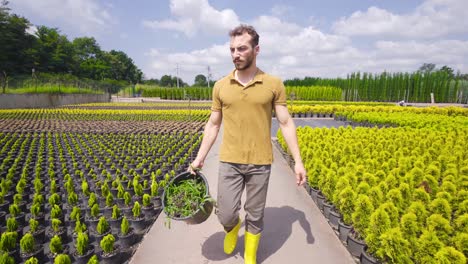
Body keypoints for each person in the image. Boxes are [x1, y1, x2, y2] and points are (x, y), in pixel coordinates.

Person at [188, 24, 306, 264]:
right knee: (226, 212)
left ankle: (250, 255)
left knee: (255, 213)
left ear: (256, 49)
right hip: (230, 161)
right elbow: (213, 124)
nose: (235, 54)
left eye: (242, 48)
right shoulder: (220, 86)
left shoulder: (273, 84)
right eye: (232, 49)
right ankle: (232, 228)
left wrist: (298, 161)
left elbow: (285, 123)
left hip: (260, 163)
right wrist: (199, 158)